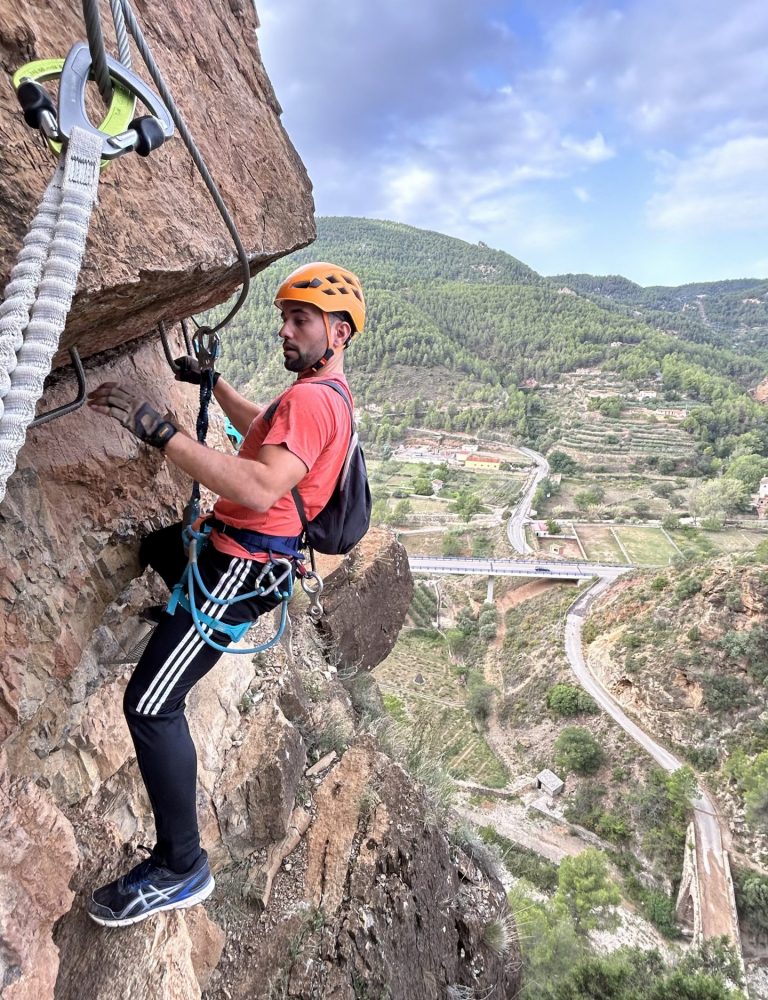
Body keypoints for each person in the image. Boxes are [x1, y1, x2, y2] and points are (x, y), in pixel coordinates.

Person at [85, 262, 365, 926]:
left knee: (151, 704)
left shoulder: (314, 400)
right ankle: (172, 632)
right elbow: (264, 428)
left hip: (239, 569)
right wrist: (214, 385)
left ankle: (181, 866)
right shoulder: (322, 394)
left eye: (301, 321)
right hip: (235, 556)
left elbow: (261, 486)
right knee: (159, 546)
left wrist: (167, 433)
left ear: (339, 332)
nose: (286, 331)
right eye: (285, 319)